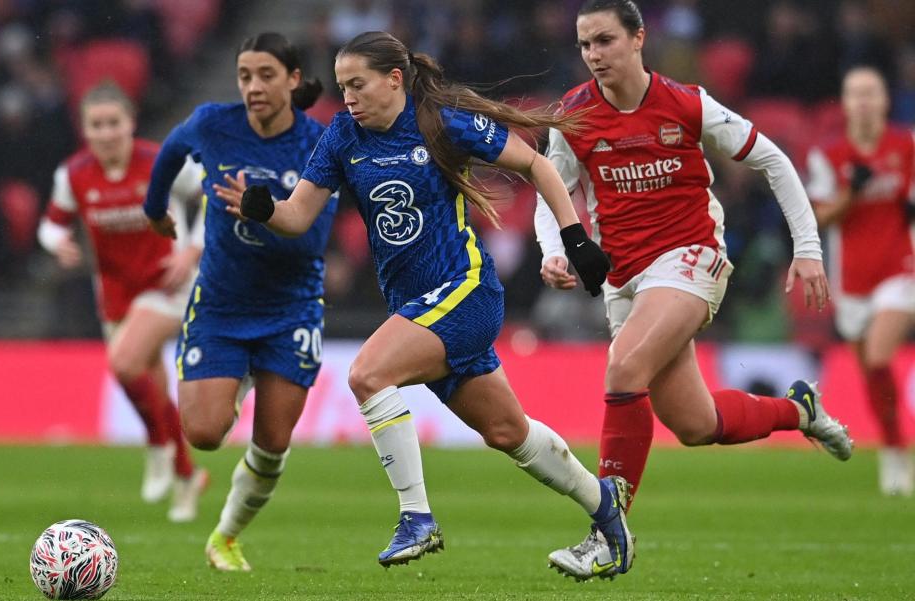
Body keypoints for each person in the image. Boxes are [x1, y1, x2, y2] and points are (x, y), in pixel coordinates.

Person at [219, 30, 634, 580]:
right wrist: (261, 207)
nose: (348, 98)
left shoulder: (440, 120)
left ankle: (417, 517)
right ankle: (608, 513)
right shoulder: (344, 135)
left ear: (395, 79)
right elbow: (296, 217)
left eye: (358, 85)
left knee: (367, 374)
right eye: (343, 87)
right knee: (510, 433)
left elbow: (537, 165)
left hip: (466, 290)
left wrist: (575, 239)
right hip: (419, 307)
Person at [533, 0, 855, 577]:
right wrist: (554, 248)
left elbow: (775, 161)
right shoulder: (574, 115)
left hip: (690, 259)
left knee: (622, 368)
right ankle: (800, 410)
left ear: (638, 39)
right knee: (695, 423)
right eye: (584, 45)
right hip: (623, 277)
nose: (593, 55)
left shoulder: (686, 103)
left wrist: (807, 249)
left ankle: (608, 535)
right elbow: (549, 190)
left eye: (604, 40)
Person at [143, 33, 337, 572]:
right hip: (222, 305)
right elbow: (171, 150)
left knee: (272, 442)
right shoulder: (213, 123)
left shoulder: (320, 145)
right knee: (203, 435)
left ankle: (225, 537)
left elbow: (312, 238)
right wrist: (155, 209)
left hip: (291, 305)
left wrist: (261, 210)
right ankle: (235, 378)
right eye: (245, 76)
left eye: (266, 75)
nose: (253, 87)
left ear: (293, 79)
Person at [37, 81, 207, 522]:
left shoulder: (162, 162)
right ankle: (187, 477)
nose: (107, 132)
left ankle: (155, 443)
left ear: (130, 124)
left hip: (168, 283)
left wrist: (192, 249)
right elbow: (51, 225)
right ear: (85, 130)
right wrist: (58, 244)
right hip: (114, 292)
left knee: (125, 363)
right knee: (150, 385)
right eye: (97, 125)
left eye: (114, 123)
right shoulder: (72, 174)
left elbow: (213, 197)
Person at [807, 66, 915, 496]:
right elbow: (820, 215)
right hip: (852, 280)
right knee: (873, 376)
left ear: (886, 100)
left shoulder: (905, 146)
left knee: (877, 355)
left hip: (899, 269)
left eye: (872, 92)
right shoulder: (829, 157)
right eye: (856, 94)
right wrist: (852, 193)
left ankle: (895, 454)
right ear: (846, 103)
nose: (865, 101)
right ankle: (892, 449)